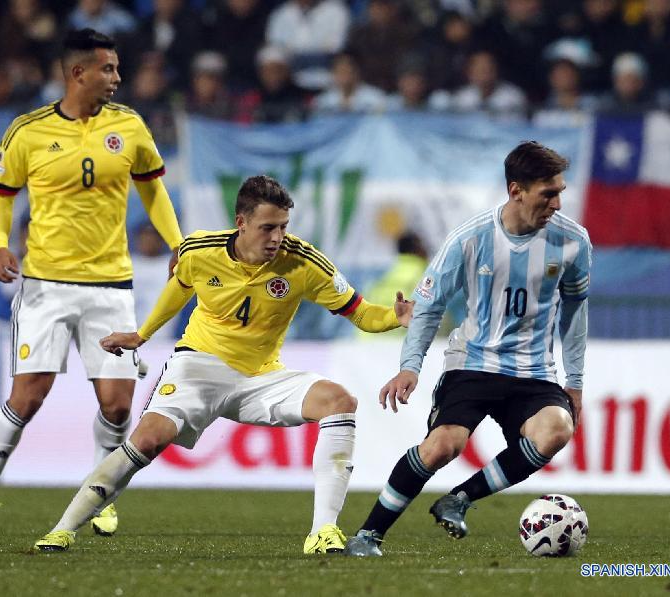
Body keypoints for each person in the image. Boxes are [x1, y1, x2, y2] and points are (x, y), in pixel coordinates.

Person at [32, 175, 414, 554]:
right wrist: (141, 335)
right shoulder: (199, 251)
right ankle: (63, 529)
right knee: (147, 440)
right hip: (198, 367)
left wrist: (395, 317)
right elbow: (178, 290)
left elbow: (361, 313)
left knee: (339, 401)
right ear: (241, 223)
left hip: (262, 377)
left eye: (283, 227)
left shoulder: (304, 263)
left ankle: (323, 532)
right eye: (267, 228)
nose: (277, 237)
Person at [0, 29, 184, 539]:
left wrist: (179, 244)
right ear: (77, 73)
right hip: (46, 285)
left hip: (111, 286)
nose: (117, 78)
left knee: (119, 405)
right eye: (108, 69)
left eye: (118, 68)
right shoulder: (28, 131)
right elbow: (1, 195)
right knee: (28, 398)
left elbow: (154, 193)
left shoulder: (129, 125)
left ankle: (99, 494)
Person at [344, 141, 591, 557]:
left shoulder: (573, 242)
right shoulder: (469, 239)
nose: (557, 202)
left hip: (533, 371)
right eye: (548, 193)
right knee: (442, 447)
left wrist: (576, 381)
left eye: (560, 191)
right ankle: (369, 534)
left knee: (556, 429)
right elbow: (428, 305)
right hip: (472, 364)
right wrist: (410, 367)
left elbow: (574, 312)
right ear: (516, 191)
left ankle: (459, 499)